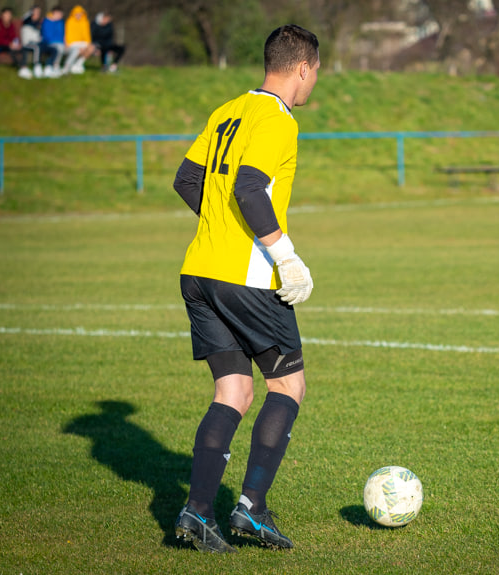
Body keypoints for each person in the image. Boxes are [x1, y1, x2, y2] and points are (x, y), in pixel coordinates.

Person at [172, 24, 320, 554]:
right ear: (303, 67)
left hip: (198, 272)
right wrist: (285, 256)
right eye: (315, 73)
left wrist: (219, 227)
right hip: (247, 278)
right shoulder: (278, 119)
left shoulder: (228, 110)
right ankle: (251, 507)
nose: (313, 83)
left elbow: (187, 180)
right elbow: (250, 186)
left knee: (232, 391)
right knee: (288, 387)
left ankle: (197, 512)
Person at [21, 5, 59, 78]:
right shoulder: (27, 20)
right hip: (27, 43)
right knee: (37, 47)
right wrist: (31, 12)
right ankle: (37, 66)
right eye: (36, 12)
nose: (37, 14)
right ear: (31, 12)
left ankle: (49, 67)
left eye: (39, 12)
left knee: (54, 49)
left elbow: (47, 22)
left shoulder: (39, 23)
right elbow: (24, 18)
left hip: (38, 42)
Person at [0, 7, 31, 78]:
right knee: (12, 50)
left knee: (23, 48)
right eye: (6, 14)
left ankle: (24, 67)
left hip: (9, 44)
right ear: (2, 15)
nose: (8, 16)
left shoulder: (11, 25)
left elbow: (13, 36)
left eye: (9, 15)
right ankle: (21, 67)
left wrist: (17, 43)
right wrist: (9, 44)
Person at [63, 4, 94, 73]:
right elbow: (68, 34)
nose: (78, 15)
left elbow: (87, 34)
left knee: (91, 48)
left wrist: (88, 44)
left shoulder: (85, 22)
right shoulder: (69, 21)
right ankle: (67, 66)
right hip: (72, 42)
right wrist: (67, 43)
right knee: (79, 50)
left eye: (80, 14)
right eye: (77, 14)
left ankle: (78, 64)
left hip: (82, 42)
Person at [40, 6, 66, 75]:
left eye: (61, 14)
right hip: (48, 42)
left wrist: (65, 42)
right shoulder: (47, 21)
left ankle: (58, 67)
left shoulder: (61, 22)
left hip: (60, 42)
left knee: (62, 47)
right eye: (59, 14)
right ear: (54, 13)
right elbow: (46, 35)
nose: (61, 15)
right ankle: (54, 66)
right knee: (59, 48)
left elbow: (62, 34)